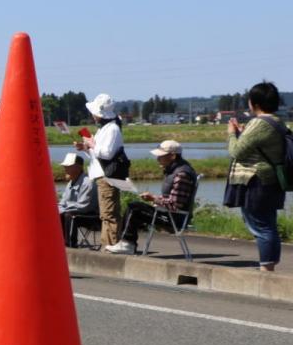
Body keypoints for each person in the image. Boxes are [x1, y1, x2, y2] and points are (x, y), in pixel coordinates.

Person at [225, 80, 287, 271]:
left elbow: (236, 151)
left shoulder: (260, 123)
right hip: (269, 180)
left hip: (257, 180)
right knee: (266, 224)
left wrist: (231, 134)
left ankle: (266, 269)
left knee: (261, 226)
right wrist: (243, 134)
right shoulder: (275, 121)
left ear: (255, 103)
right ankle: (269, 266)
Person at [106, 140, 197, 255]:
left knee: (134, 208)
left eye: (161, 156)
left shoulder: (181, 174)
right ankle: (126, 243)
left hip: (175, 219)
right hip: (170, 214)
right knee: (135, 207)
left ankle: (127, 244)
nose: (157, 159)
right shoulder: (176, 171)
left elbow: (175, 204)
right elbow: (173, 200)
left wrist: (154, 199)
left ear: (173, 156)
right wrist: (155, 200)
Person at [75, 93, 126, 247]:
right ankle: (110, 245)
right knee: (108, 213)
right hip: (104, 175)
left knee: (108, 214)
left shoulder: (112, 129)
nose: (92, 115)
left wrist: (91, 145)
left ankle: (110, 246)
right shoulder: (105, 128)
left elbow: (106, 153)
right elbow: (98, 155)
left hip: (107, 176)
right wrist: (86, 147)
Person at [57, 153, 99, 247]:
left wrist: (63, 209)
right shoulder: (70, 183)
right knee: (57, 214)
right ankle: (59, 243)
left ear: (78, 167)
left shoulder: (88, 182)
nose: (65, 169)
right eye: (65, 166)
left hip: (92, 216)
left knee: (69, 215)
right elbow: (63, 202)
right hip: (77, 212)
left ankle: (70, 245)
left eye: (68, 166)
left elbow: (83, 207)